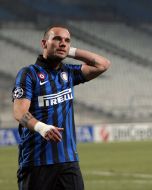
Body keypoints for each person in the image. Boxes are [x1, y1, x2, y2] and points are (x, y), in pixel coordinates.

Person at [12, 26, 111, 190]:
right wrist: (41, 127)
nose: (63, 43)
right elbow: (19, 112)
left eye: (67, 41)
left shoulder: (69, 72)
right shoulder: (28, 74)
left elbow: (103, 64)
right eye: (57, 39)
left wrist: (66, 50)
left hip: (68, 161)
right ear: (44, 43)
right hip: (37, 161)